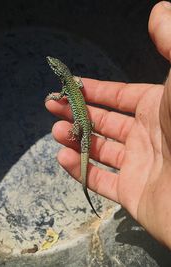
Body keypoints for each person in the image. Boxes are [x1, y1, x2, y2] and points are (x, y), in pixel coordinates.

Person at [45, 1, 171, 249]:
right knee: (79, 133)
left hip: (84, 125)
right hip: (87, 123)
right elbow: (77, 88)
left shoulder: (65, 87)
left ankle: (80, 151)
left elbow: (63, 97)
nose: (51, 65)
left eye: (52, 65)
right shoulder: (73, 82)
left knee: (73, 134)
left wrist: (54, 96)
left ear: (59, 73)